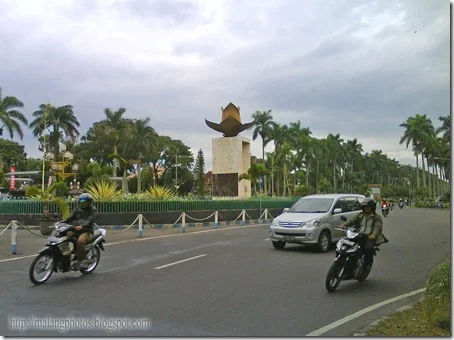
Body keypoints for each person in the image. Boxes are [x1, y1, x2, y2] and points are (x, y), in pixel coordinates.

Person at [342, 198, 387, 270]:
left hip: (369, 236)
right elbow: (351, 221)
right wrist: (344, 226)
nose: (367, 208)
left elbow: (377, 227)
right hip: (359, 234)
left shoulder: (376, 217)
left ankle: (367, 265)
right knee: (347, 244)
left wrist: (374, 235)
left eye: (368, 207)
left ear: (372, 207)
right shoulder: (360, 215)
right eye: (365, 207)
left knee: (368, 249)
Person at [62, 193, 97, 270]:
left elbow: (89, 220)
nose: (82, 202)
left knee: (80, 241)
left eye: (84, 201)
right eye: (81, 201)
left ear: (89, 202)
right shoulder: (77, 209)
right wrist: (62, 223)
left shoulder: (92, 210)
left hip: (86, 231)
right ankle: (65, 255)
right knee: (63, 236)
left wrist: (82, 226)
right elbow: (70, 217)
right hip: (75, 230)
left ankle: (80, 260)